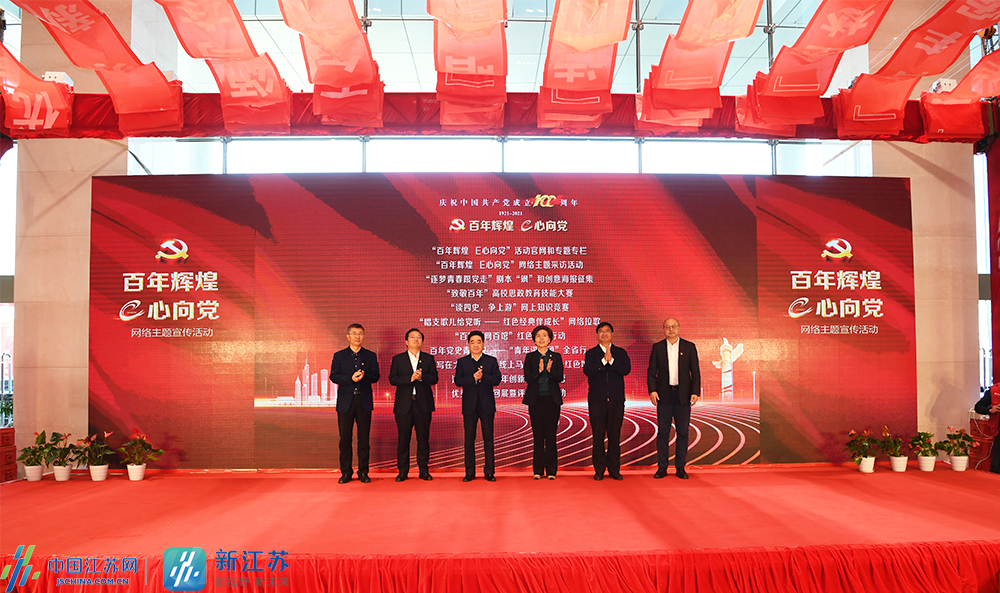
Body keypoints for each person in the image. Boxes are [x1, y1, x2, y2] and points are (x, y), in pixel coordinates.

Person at [647, 317, 701, 480]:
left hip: (683, 395)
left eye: (673, 326)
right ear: (663, 330)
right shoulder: (658, 347)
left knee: (683, 432)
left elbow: (695, 372)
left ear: (679, 328)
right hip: (664, 395)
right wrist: (653, 390)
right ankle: (662, 467)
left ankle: (680, 467)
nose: (671, 329)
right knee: (663, 432)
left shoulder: (689, 347)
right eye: (667, 327)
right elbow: (651, 372)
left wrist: (695, 392)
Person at [329, 323, 380, 484]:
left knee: (364, 439)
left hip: (364, 401)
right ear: (348, 336)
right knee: (345, 439)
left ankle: (363, 472)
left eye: (360, 333)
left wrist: (364, 377)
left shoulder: (370, 356)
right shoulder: (339, 356)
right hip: (346, 403)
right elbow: (334, 376)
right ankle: (346, 472)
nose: (357, 336)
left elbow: (376, 376)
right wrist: (350, 378)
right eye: (354, 333)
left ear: (363, 336)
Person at [389, 328, 439, 481]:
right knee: (403, 439)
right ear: (406, 341)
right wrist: (410, 378)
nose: (416, 340)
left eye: (418, 337)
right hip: (403, 405)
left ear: (422, 341)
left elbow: (434, 378)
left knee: (423, 439)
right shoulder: (398, 359)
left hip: (423, 405)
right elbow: (393, 379)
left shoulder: (428, 359)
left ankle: (424, 470)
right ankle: (402, 471)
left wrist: (422, 377)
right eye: (412, 337)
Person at [583, 322, 631, 481]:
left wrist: (612, 362)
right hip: (597, 401)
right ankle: (599, 470)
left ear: (612, 334)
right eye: (601, 331)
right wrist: (603, 361)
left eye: (607, 331)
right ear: (597, 335)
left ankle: (614, 469)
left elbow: (626, 369)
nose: (604, 334)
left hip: (616, 400)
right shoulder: (591, 353)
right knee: (598, 436)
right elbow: (588, 371)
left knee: (614, 436)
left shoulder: (620, 352)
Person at [454, 331, 502, 482]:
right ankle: (470, 472)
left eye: (479, 342)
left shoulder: (491, 361)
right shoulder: (462, 362)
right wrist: (472, 378)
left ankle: (489, 472)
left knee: (488, 439)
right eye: (472, 342)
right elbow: (458, 381)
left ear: (484, 344)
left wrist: (483, 377)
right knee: (469, 440)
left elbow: (497, 379)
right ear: (468, 345)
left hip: (487, 405)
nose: (475, 345)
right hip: (469, 406)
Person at [523, 325, 564, 480]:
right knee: (538, 436)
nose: (541, 338)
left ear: (550, 339)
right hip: (536, 401)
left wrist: (549, 370)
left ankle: (552, 470)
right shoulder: (530, 357)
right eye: (538, 336)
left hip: (552, 401)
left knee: (551, 436)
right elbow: (528, 378)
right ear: (534, 340)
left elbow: (560, 377)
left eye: (544, 335)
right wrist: (539, 371)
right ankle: (538, 470)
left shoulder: (556, 357)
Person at [974, 385, 1000, 474]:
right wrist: (990, 410)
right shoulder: (994, 391)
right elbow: (978, 407)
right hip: (998, 432)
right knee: (996, 464)